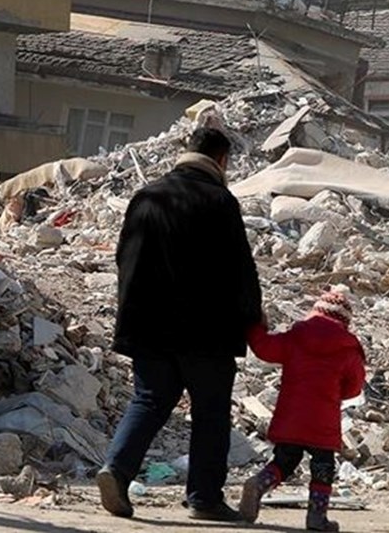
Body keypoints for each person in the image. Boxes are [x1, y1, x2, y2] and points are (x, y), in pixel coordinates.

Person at [97, 127, 262, 522]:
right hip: (205, 331)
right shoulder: (219, 201)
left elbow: (125, 259)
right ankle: (204, 498)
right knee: (210, 410)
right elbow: (239, 266)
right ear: (222, 161)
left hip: (148, 325)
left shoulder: (147, 196)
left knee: (150, 399)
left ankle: (116, 471)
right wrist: (252, 315)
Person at [238, 286, 366, 531]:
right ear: (344, 321)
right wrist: (336, 393)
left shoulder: (296, 336)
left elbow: (264, 348)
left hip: (291, 417)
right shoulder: (349, 349)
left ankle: (259, 484)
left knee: (285, 461)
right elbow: (355, 387)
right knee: (323, 468)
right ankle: (316, 518)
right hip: (323, 421)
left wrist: (256, 327)